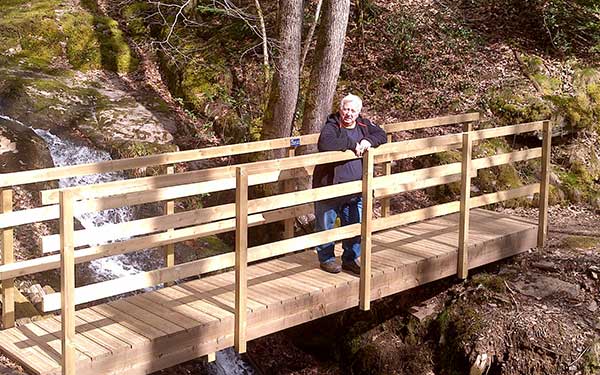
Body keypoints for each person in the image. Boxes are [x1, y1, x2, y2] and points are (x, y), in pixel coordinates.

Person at [312, 94, 387, 274]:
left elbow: (381, 135)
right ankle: (327, 259)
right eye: (346, 109)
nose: (349, 114)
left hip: (357, 188)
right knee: (325, 224)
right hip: (330, 187)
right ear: (340, 109)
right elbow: (325, 143)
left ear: (359, 112)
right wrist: (352, 143)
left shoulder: (364, 125)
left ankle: (350, 259)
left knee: (355, 225)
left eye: (353, 110)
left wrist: (367, 141)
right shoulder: (332, 125)